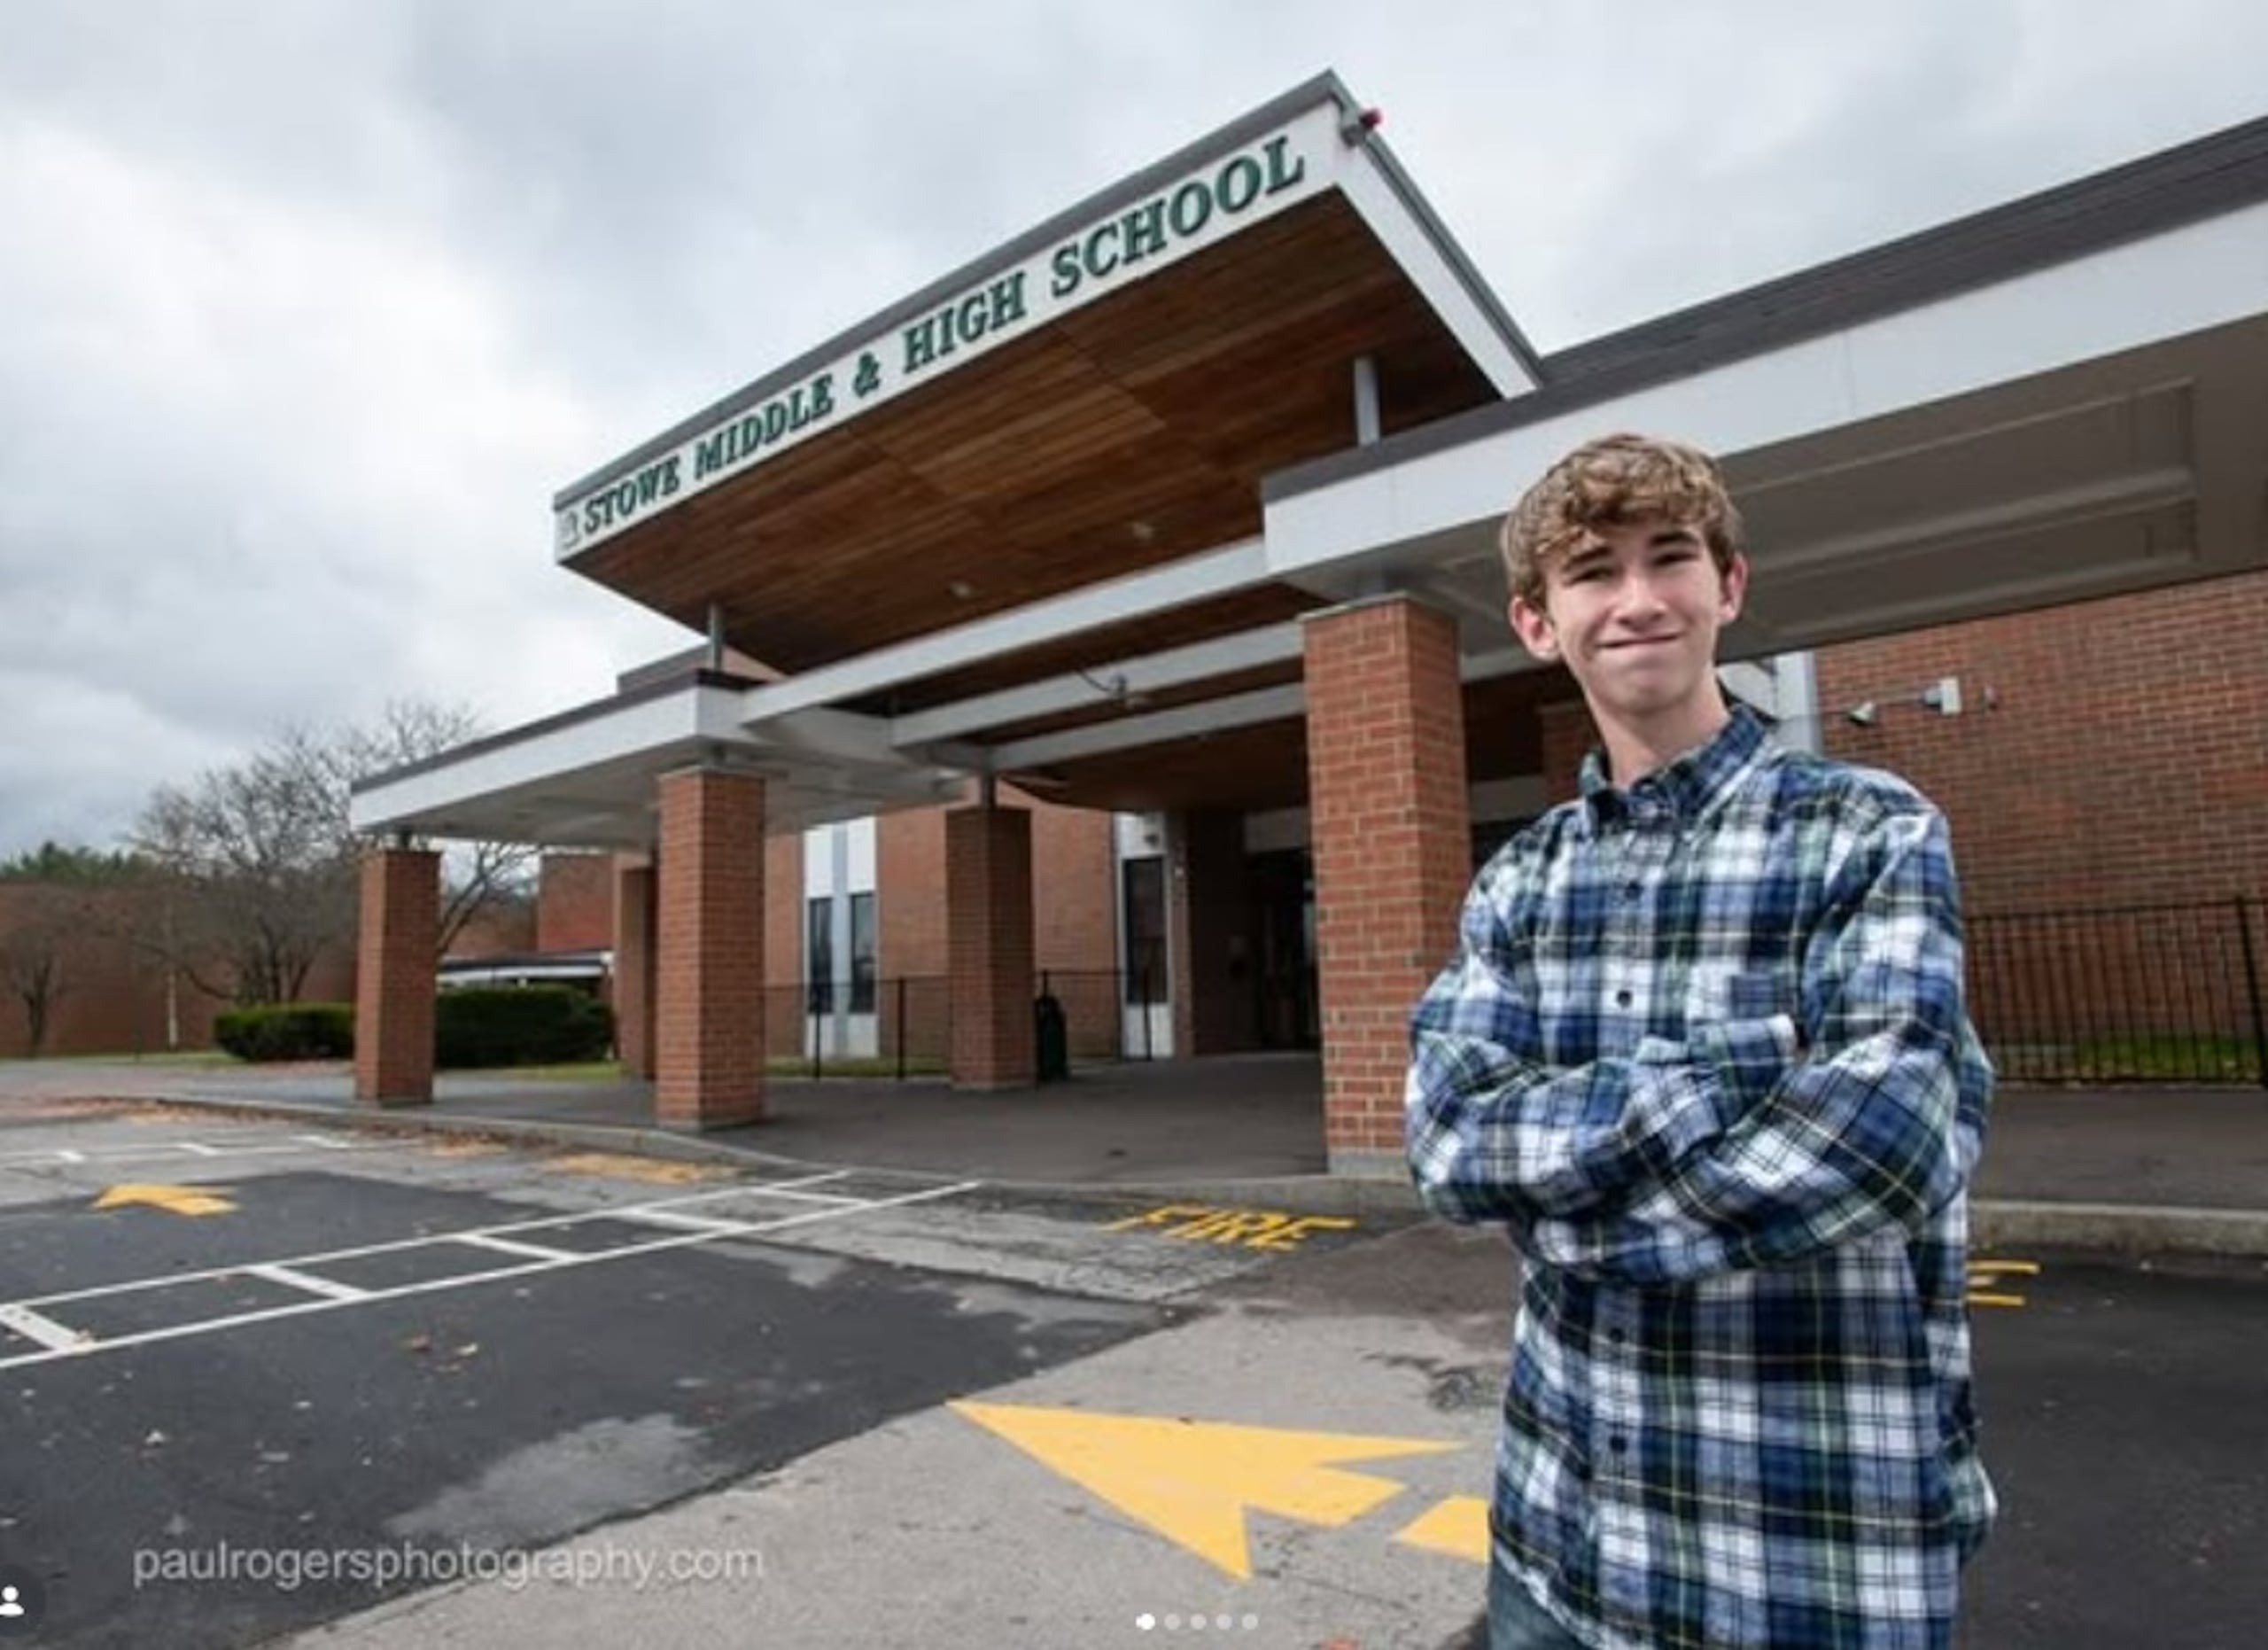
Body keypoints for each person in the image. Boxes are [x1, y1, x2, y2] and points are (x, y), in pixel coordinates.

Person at [1404, 433, 1995, 1650]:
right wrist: (1741, 1069)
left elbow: (1883, 1146)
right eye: (1590, 571)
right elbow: (1451, 1143)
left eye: (1667, 557)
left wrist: (1565, 1212)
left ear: (1728, 586)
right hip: (1557, 1548)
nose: (1634, 598)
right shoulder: (1521, 879)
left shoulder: (1867, 832)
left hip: (1804, 1558)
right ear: (1536, 620)